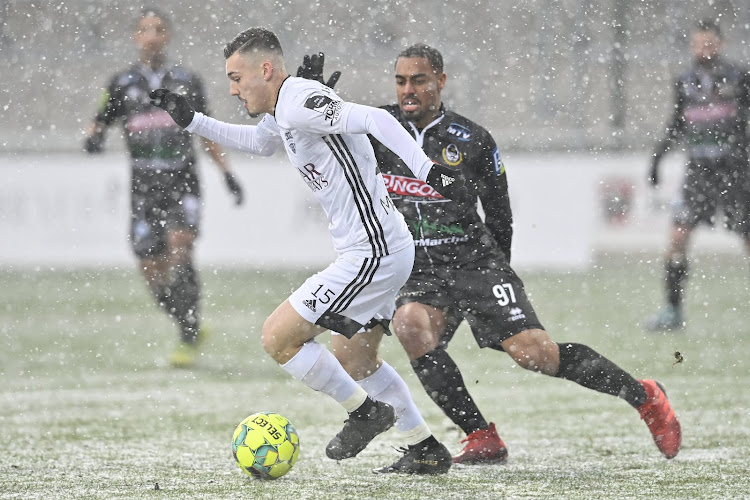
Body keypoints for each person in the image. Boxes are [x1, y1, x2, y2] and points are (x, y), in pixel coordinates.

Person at [303, 43, 682, 463]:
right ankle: (481, 436)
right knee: (411, 325)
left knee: (535, 354)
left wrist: (495, 275)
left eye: (419, 80)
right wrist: (314, 100)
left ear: (440, 82)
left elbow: (500, 215)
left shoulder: (473, 139)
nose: (408, 90)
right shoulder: (376, 127)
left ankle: (644, 396)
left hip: (474, 263)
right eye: (401, 81)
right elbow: (327, 142)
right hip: (416, 270)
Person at [148, 27, 471, 474]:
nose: (232, 89)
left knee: (278, 338)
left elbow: (378, 121)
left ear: (265, 69)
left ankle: (365, 413)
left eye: (236, 77)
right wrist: (193, 121)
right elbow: (260, 143)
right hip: (385, 248)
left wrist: (427, 171)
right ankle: (426, 447)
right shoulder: (287, 107)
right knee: (356, 358)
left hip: (373, 253)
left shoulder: (298, 99)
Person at [82, 8, 245, 368]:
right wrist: (92, 138)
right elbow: (99, 121)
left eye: (158, 29)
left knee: (180, 245)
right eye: (145, 30)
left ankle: (187, 335)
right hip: (144, 187)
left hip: (182, 179)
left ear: (167, 36)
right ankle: (189, 323)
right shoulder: (120, 83)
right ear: (136, 37)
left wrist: (227, 174)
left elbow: (205, 130)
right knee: (151, 268)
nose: (152, 36)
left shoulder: (187, 80)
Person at [643, 19, 750, 331]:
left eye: (710, 43)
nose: (705, 49)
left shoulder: (739, 78)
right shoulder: (685, 81)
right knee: (677, 237)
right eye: (699, 43)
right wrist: (658, 158)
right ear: (692, 46)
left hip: (735, 171)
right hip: (699, 172)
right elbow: (677, 123)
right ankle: (672, 311)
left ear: (720, 44)